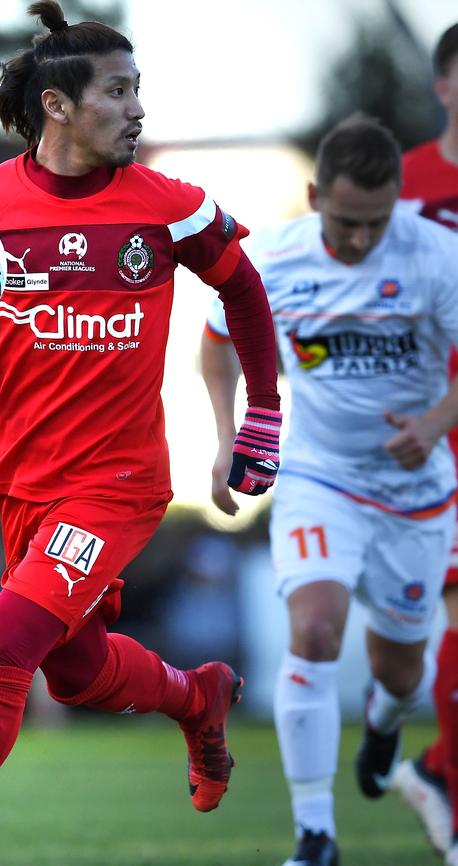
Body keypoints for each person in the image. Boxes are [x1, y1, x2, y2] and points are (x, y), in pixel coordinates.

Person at [0, 3, 282, 865]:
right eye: (118, 92)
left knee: (2, 645)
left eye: (138, 89)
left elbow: (246, 294)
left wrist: (261, 414)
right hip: (25, 487)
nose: (138, 109)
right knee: (71, 674)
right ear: (59, 106)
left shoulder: (172, 208)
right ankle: (198, 698)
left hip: (119, 484)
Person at [200, 115, 458, 866]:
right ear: (314, 196)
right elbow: (213, 350)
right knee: (312, 632)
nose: (357, 240)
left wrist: (437, 421)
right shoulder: (269, 259)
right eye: (344, 222)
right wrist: (228, 439)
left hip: (415, 491)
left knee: (404, 672)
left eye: (375, 224)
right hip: (318, 476)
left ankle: (385, 719)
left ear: (399, 204)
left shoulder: (437, 255)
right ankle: (316, 835)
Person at [388, 23, 458, 866]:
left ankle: (437, 769)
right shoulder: (402, 184)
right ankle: (443, 778)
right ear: (444, 85)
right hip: (427, 434)